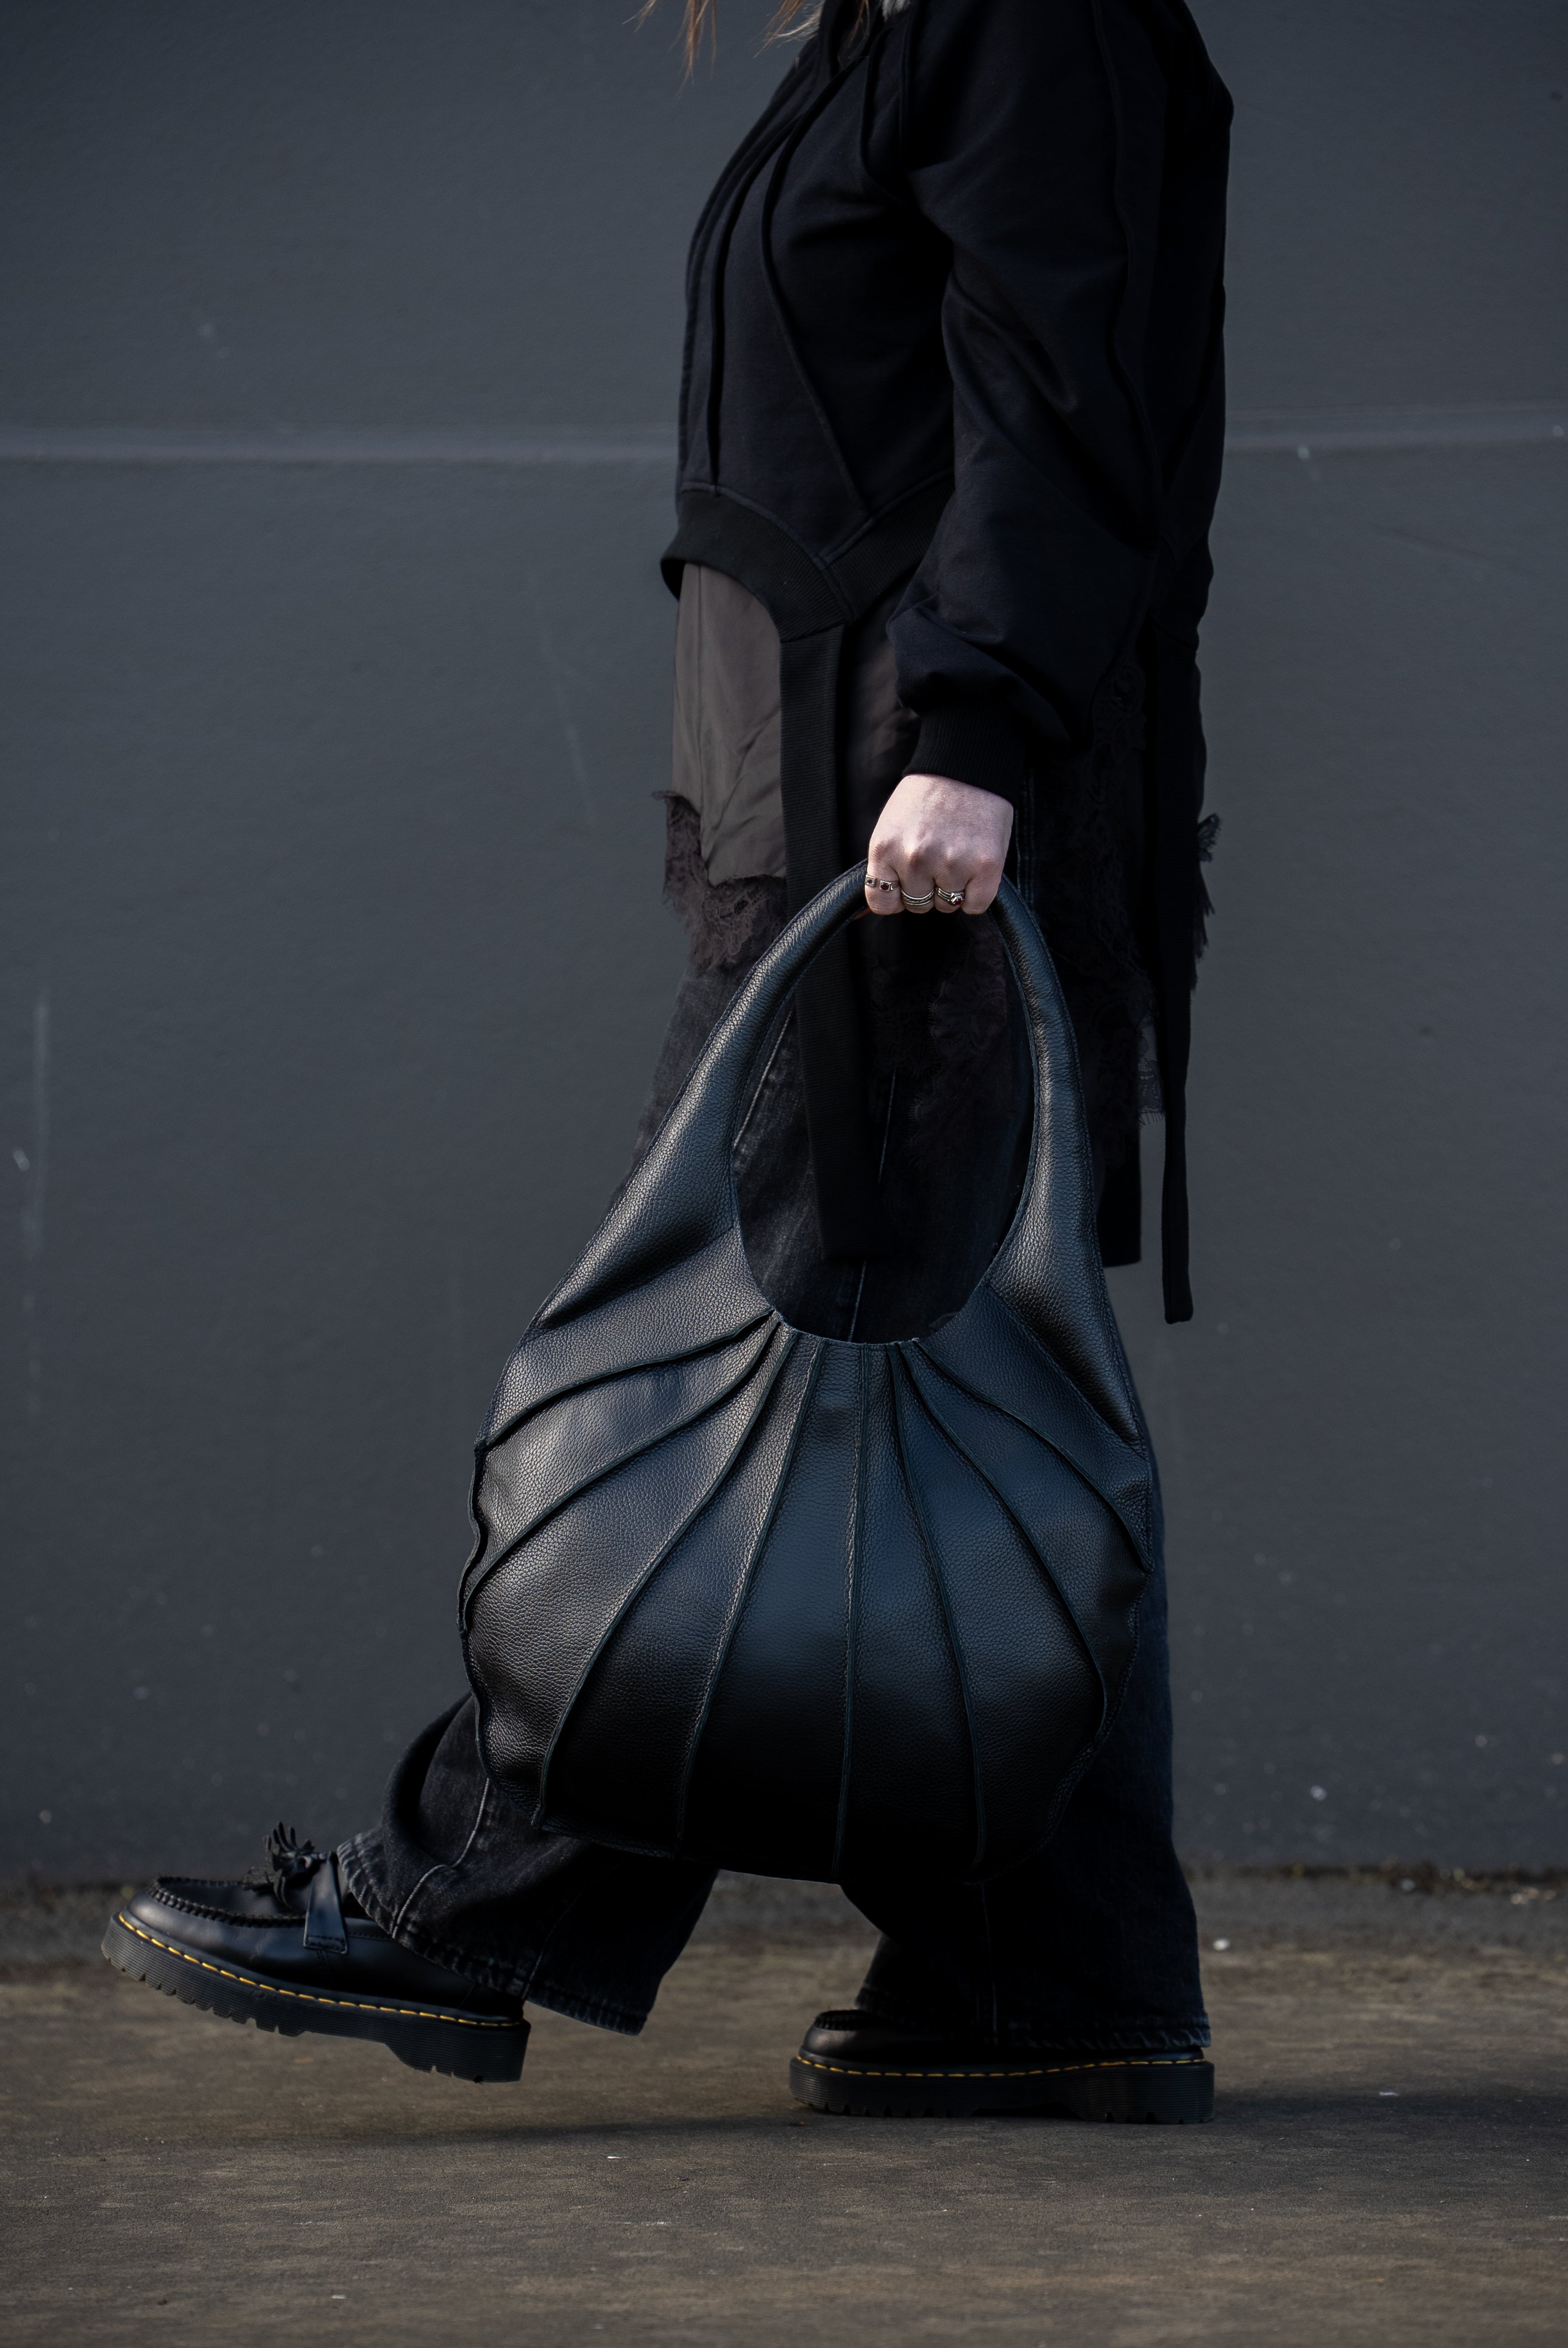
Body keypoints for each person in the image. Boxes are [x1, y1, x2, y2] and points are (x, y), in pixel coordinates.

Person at [105, 0, 1231, 2122]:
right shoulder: (896, 39)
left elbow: (1061, 389)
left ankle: (473, 1896)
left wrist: (972, 741)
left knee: (730, 1362)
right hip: (825, 803)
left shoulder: (1023, 21)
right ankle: (1051, 1975)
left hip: (910, 817)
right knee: (947, 1370)